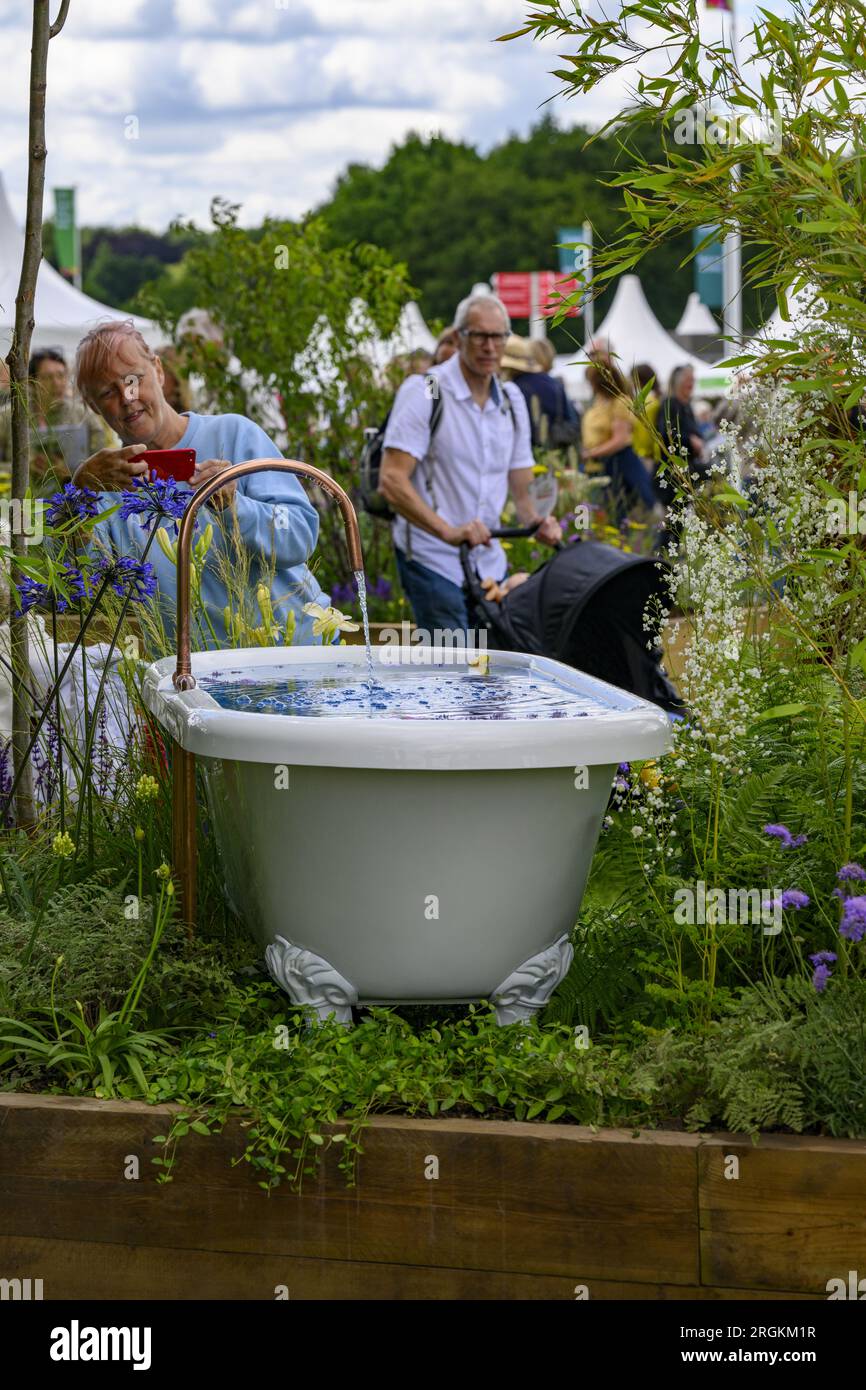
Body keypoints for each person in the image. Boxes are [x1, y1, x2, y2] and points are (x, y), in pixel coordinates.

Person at [71, 320, 330, 649]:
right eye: (108, 392)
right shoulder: (105, 482)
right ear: (93, 406)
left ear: (159, 372)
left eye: (133, 379)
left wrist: (235, 506)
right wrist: (79, 494)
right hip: (194, 679)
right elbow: (84, 587)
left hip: (290, 656)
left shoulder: (233, 435)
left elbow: (301, 535)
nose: (127, 397)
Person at [378, 293, 562, 635]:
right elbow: (391, 481)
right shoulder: (427, 389)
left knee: (494, 665)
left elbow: (522, 491)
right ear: (460, 336)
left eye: (498, 337)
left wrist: (538, 520)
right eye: (480, 336)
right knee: (455, 669)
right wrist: (447, 531)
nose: (490, 346)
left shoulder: (512, 399)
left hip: (487, 560)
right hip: (432, 557)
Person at [0, 348, 108, 497]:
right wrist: (23, 467)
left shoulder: (84, 416)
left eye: (61, 375)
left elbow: (103, 464)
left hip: (74, 502)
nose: (57, 383)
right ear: (31, 382)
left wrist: (70, 473)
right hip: (22, 503)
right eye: (48, 377)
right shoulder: (9, 417)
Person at [581, 360, 659, 520]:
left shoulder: (619, 402)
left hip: (617, 462)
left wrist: (591, 453)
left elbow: (621, 439)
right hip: (596, 465)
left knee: (620, 509)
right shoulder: (598, 402)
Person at [500, 335, 581, 448]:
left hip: (525, 451)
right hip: (554, 453)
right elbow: (572, 421)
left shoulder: (513, 387)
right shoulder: (556, 384)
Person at [656, 364, 707, 505]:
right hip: (673, 471)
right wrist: (690, 440)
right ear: (679, 382)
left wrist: (698, 441)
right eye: (688, 380)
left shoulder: (687, 405)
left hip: (688, 468)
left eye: (693, 380)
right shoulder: (670, 404)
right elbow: (666, 433)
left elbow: (696, 431)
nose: (692, 384)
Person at [630, 363, 662, 467]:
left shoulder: (647, 401)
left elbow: (644, 432)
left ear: (638, 380)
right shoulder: (656, 398)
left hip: (645, 455)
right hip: (651, 454)